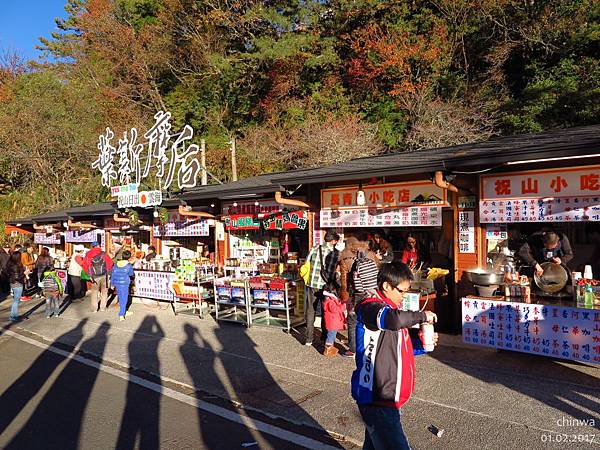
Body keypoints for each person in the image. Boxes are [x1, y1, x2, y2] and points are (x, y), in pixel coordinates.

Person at [352, 261, 437, 450]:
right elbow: (394, 319)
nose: (404, 296)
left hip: (384, 397)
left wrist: (422, 344)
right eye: (401, 291)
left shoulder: (388, 311)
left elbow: (398, 348)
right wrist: (422, 316)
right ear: (386, 286)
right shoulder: (371, 308)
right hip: (377, 397)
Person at [345, 236, 380, 358]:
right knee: (371, 321)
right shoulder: (372, 262)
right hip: (374, 294)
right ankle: (372, 346)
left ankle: (353, 350)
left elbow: (357, 285)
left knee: (353, 321)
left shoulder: (356, 265)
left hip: (360, 296)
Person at [303, 230, 340, 346]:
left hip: (312, 283)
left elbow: (306, 263)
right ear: (333, 241)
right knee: (325, 310)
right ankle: (324, 336)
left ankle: (309, 338)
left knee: (310, 310)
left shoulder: (315, 248)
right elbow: (335, 271)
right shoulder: (336, 253)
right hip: (325, 286)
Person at [83, 241, 114, 312]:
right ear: (98, 246)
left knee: (94, 292)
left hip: (94, 277)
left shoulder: (88, 255)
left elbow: (85, 266)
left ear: (92, 247)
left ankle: (94, 309)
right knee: (104, 292)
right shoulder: (103, 253)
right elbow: (110, 263)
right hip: (104, 275)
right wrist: (109, 273)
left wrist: (89, 275)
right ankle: (103, 308)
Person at [111, 250, 135, 321]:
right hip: (124, 283)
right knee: (124, 299)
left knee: (121, 297)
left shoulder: (116, 264)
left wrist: (112, 284)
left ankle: (125, 311)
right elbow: (131, 274)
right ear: (129, 257)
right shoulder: (128, 265)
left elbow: (113, 274)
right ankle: (121, 314)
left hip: (117, 283)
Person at [6, 252, 27, 322]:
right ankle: (13, 316)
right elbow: (17, 277)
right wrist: (24, 273)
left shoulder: (10, 264)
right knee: (16, 301)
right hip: (17, 284)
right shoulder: (15, 265)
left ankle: (14, 315)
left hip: (13, 283)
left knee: (15, 300)